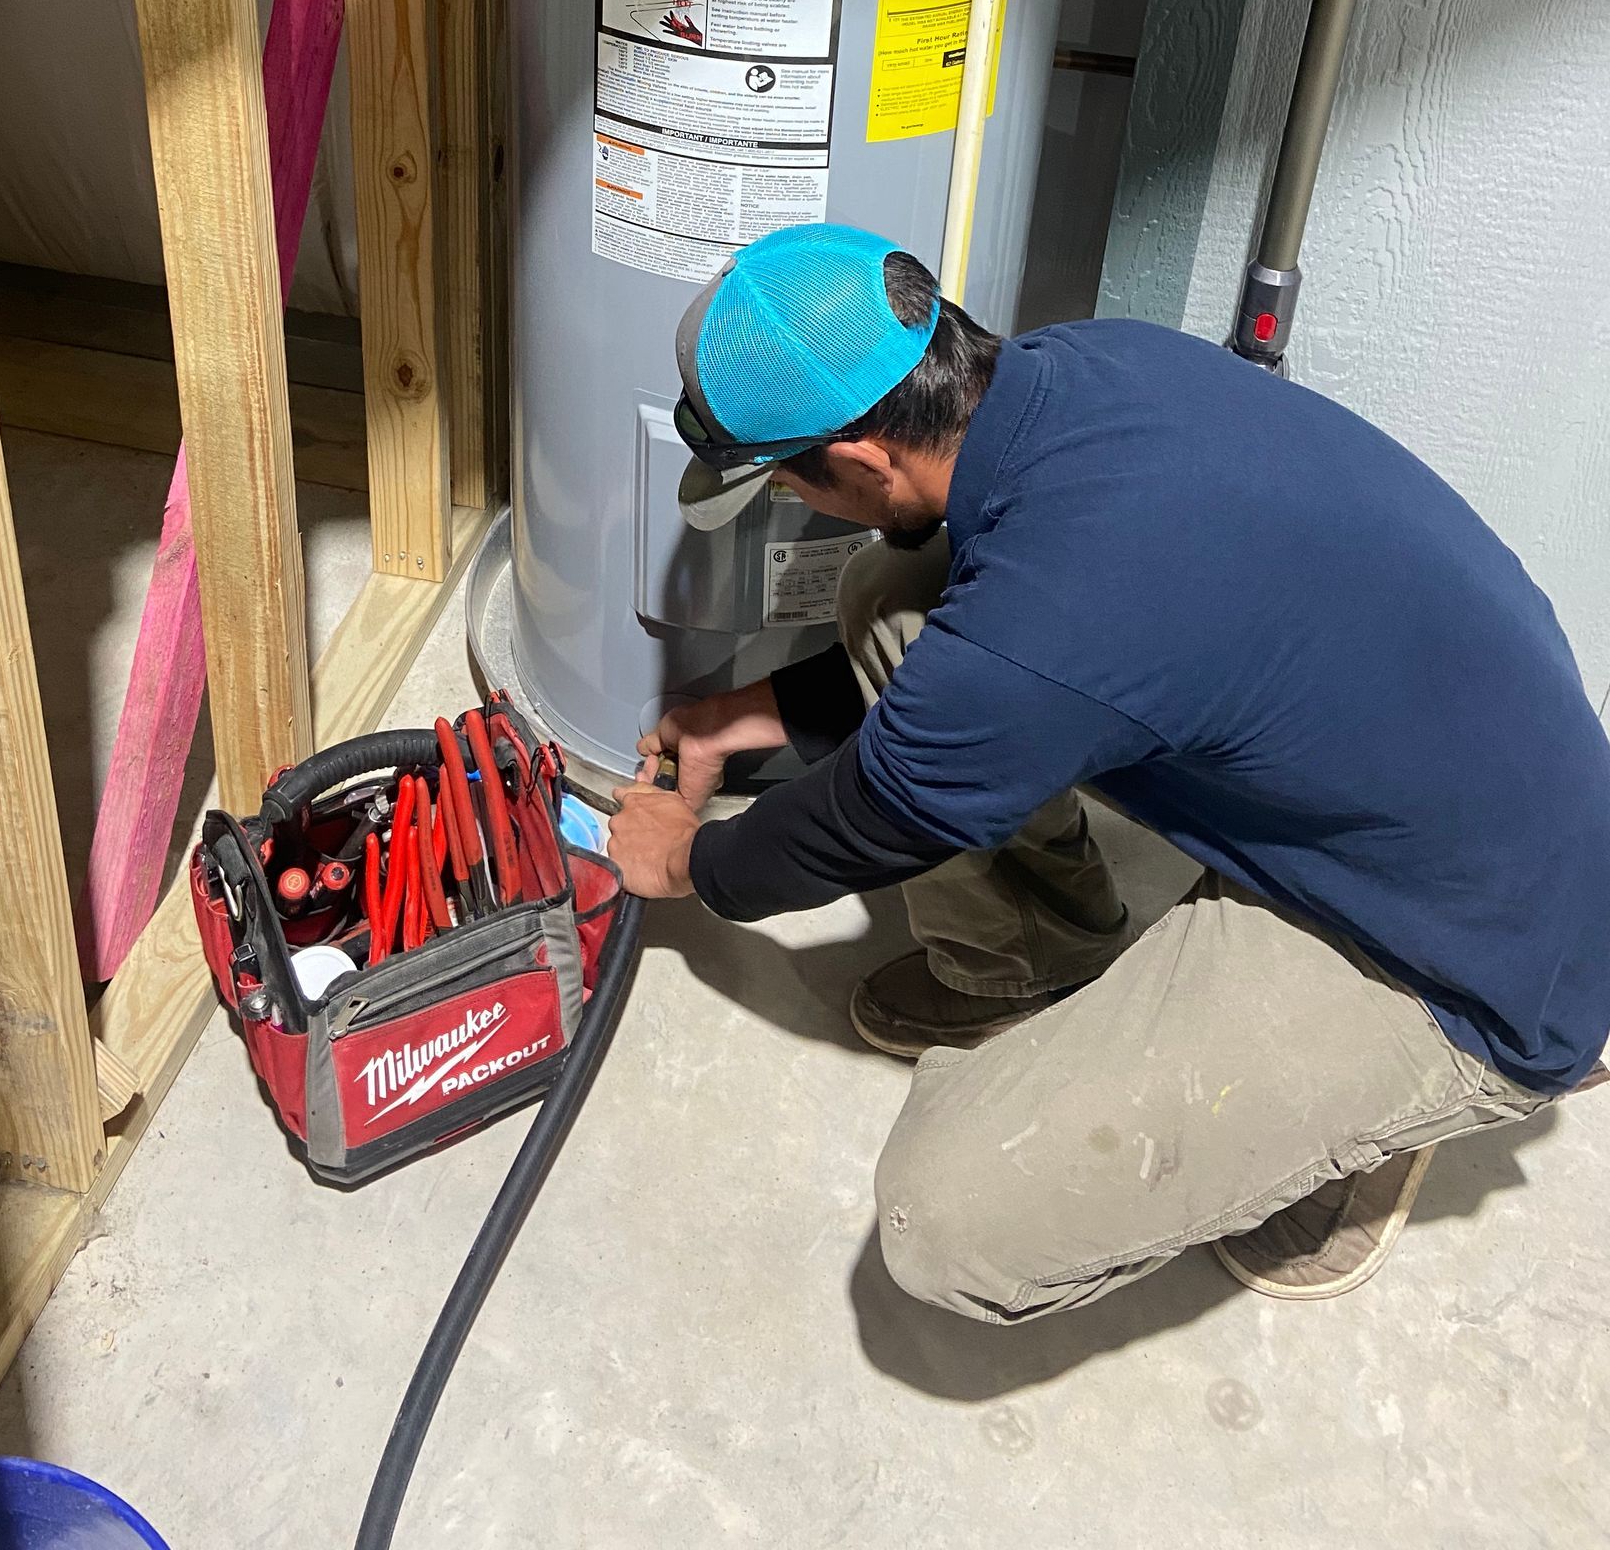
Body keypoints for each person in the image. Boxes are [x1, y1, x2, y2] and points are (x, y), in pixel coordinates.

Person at [605, 222, 1610, 1318]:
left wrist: (694, 862)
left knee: (942, 1221)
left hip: (1476, 948)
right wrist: (737, 717)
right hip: (1419, 775)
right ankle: (1031, 952)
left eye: (794, 488)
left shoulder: (1054, 611)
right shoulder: (1085, 368)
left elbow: (884, 803)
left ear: (857, 460)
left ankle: (1387, 1110)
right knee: (891, 598)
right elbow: (992, 680)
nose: (808, 507)